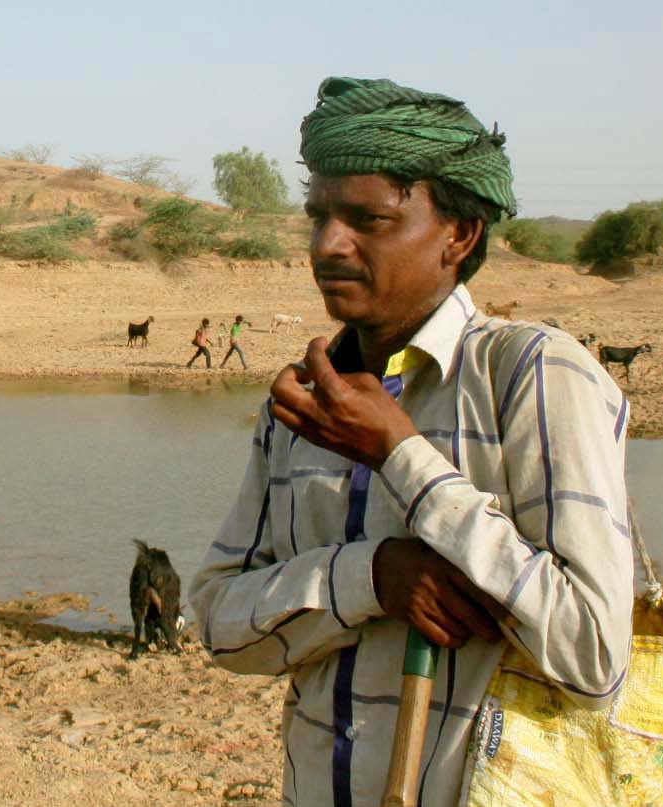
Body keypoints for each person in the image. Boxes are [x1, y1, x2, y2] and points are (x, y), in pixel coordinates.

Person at [189, 77, 633, 807]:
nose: (329, 244)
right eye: (319, 217)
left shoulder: (530, 373)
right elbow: (219, 625)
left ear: (459, 235)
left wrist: (400, 456)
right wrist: (369, 578)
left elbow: (591, 655)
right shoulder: (303, 400)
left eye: (368, 219)